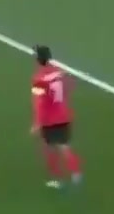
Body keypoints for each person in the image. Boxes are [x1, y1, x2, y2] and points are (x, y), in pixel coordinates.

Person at [30, 45, 82, 188]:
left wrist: (37, 123)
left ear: (38, 59)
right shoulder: (58, 72)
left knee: (48, 149)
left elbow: (39, 102)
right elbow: (70, 86)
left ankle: (57, 180)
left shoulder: (38, 79)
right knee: (65, 147)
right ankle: (76, 173)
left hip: (49, 120)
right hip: (63, 116)